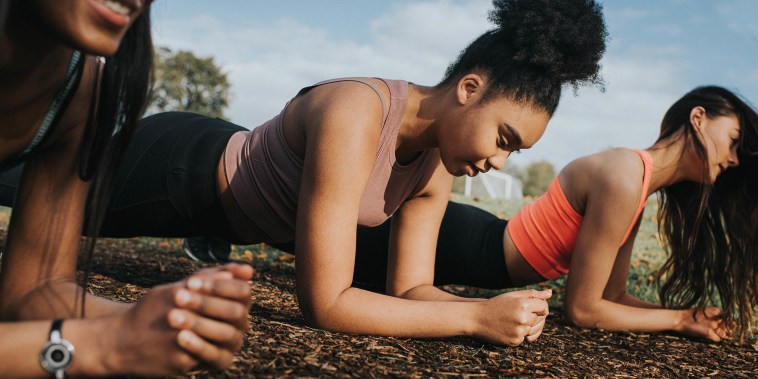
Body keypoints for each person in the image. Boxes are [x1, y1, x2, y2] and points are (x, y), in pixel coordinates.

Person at [0, 0, 608, 347]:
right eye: (504, 139)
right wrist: (474, 319)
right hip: (179, 170)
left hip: (226, 207)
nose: (499, 162)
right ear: (470, 88)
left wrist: (490, 307)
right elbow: (327, 304)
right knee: (14, 171)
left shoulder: (432, 170)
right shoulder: (357, 111)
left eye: (514, 154)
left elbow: (409, 292)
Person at [294, 85, 757, 343]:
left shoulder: (637, 185)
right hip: (471, 244)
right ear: (698, 118)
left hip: (477, 245)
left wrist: (686, 315)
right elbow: (584, 310)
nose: (734, 159)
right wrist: (678, 320)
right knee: (300, 218)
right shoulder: (624, 172)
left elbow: (612, 297)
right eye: (734, 141)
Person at [0, 0, 253, 377]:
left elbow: (34, 289)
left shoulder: (82, 90)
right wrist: (98, 346)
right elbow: (97, 344)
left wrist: (153, 322)